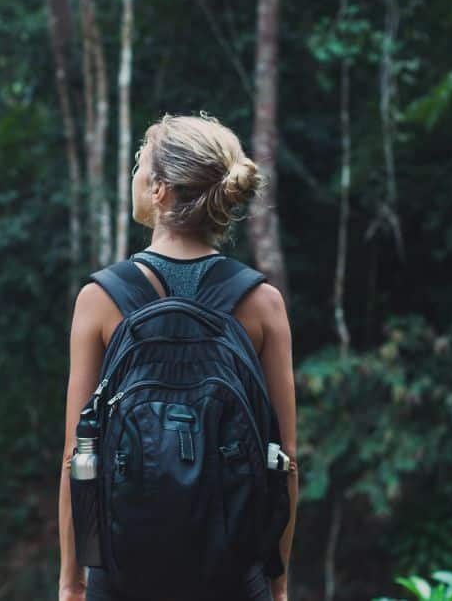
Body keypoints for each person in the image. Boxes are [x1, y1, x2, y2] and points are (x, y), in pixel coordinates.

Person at [58, 113, 298, 601]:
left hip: (123, 574)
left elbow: (77, 458)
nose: (135, 177)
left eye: (139, 167)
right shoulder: (262, 303)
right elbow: (284, 462)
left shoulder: (101, 299)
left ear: (161, 190)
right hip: (233, 575)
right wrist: (277, 584)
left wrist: (71, 581)